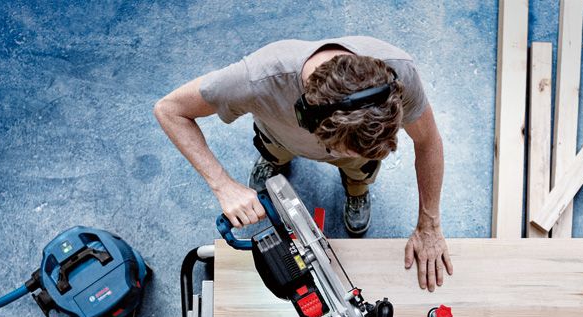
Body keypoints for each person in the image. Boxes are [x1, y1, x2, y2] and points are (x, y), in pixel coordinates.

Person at [154, 36, 452, 292]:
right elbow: (170, 110)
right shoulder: (255, 80)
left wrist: (429, 223)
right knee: (274, 155)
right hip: (280, 138)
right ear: (307, 117)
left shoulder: (399, 74)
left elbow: (427, 142)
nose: (337, 156)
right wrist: (224, 186)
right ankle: (274, 164)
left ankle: (356, 187)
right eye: (339, 150)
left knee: (360, 169)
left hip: (359, 156)